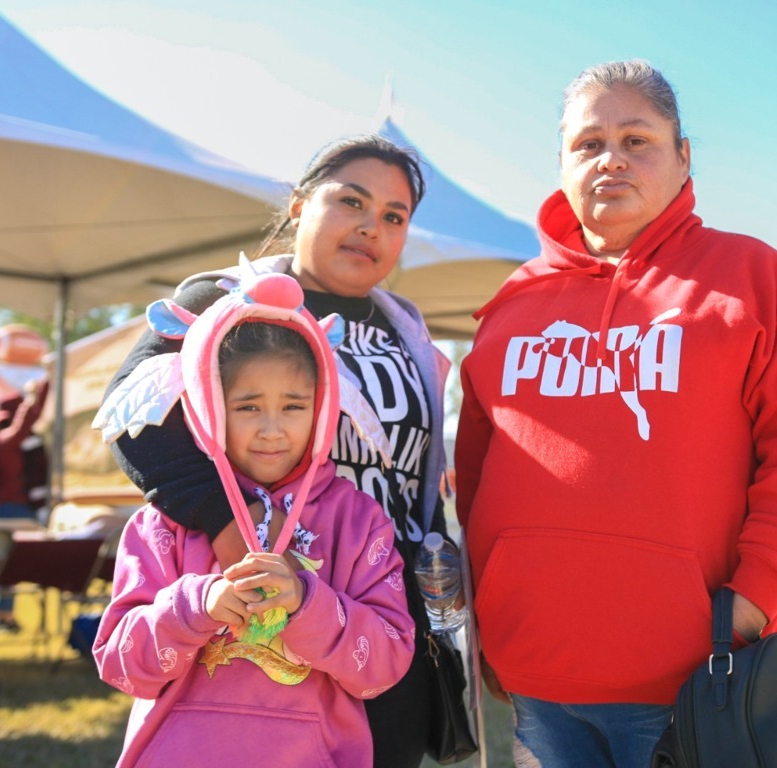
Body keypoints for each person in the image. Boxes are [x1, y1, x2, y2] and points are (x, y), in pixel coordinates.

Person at [453, 59, 777, 768]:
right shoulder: (511, 304)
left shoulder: (753, 279)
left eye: (636, 139)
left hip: (698, 682)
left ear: (683, 157)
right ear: (561, 164)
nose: (610, 159)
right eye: (587, 144)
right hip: (538, 684)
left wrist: (752, 598)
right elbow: (476, 478)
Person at [105, 134, 450, 767]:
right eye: (352, 201)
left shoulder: (409, 329)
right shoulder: (221, 300)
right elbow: (135, 420)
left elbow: (418, 477)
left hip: (372, 607)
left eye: (393, 217)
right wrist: (229, 527)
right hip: (247, 588)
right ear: (298, 205)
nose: (371, 227)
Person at [92, 273, 414, 767]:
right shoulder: (162, 525)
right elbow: (121, 666)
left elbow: (384, 667)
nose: (271, 429)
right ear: (207, 405)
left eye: (293, 406)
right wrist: (196, 606)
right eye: (247, 407)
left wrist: (308, 602)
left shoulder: (359, 521)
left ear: (324, 409)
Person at [0, 377, 50, 632]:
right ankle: (3, 617)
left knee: (10, 566)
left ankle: (4, 616)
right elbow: (26, 421)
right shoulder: (7, 440)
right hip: (16, 509)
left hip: (14, 506)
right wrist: (43, 387)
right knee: (11, 566)